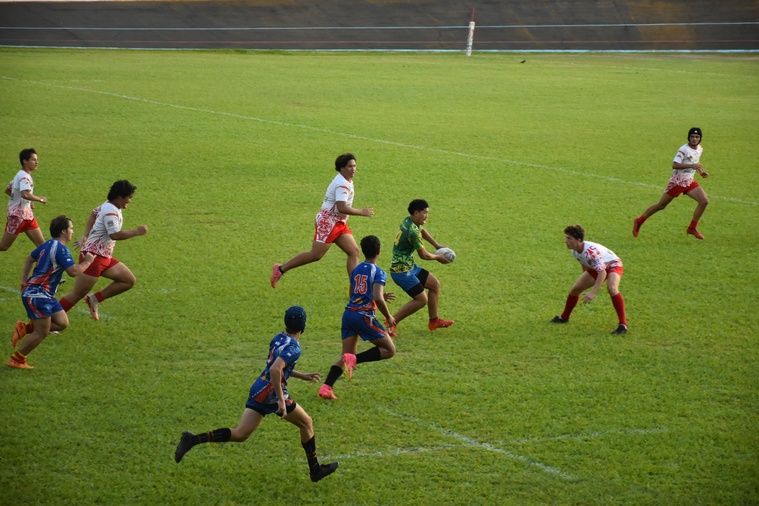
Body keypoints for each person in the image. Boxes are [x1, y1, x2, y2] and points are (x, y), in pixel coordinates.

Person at [174, 306, 339, 483]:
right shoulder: (294, 348)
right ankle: (315, 470)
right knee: (306, 423)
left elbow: (274, 365)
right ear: (303, 325)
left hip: (259, 387)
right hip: (271, 395)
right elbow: (276, 369)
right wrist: (281, 402)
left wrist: (301, 375)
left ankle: (192, 440)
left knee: (241, 434)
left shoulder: (278, 338)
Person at [271, 153, 374, 288]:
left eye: (354, 166)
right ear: (341, 168)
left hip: (338, 222)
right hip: (329, 222)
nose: (353, 169)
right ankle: (280, 269)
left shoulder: (346, 180)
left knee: (354, 251)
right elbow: (342, 207)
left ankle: (355, 290)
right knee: (315, 255)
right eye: (350, 166)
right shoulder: (342, 184)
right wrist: (361, 212)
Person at [8, 216, 95, 369]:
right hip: (38, 295)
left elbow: (29, 259)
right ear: (63, 231)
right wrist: (88, 261)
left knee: (62, 323)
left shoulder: (47, 244)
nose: (72, 232)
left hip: (43, 294)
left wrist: (24, 280)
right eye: (71, 228)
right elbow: (73, 272)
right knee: (42, 332)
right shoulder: (61, 249)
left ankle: (26, 328)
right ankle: (17, 359)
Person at [319, 235, 396, 400]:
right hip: (363, 316)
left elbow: (353, 292)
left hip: (348, 315)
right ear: (379, 252)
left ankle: (326, 387)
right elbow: (377, 297)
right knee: (390, 350)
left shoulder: (356, 269)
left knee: (345, 353)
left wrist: (378, 295)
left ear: (363, 251)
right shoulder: (379, 272)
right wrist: (388, 316)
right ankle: (354, 359)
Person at [58, 180, 148, 320]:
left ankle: (94, 299)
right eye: (129, 197)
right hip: (93, 258)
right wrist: (136, 232)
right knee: (76, 294)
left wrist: (85, 235)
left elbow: (93, 214)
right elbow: (114, 235)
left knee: (128, 280)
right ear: (120, 196)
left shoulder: (108, 205)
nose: (130, 201)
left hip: (104, 256)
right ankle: (47, 321)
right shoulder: (110, 211)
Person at [386, 199, 453, 338]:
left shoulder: (409, 221)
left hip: (409, 266)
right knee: (421, 300)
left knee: (435, 285)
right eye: (425, 213)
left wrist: (437, 246)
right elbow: (424, 255)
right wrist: (438, 257)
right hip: (401, 271)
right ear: (416, 213)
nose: (427, 216)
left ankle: (434, 321)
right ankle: (391, 321)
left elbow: (422, 231)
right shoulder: (412, 231)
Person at [549, 225, 628, 335]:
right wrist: (585, 277)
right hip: (596, 267)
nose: (566, 241)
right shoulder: (575, 250)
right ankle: (564, 317)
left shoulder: (591, 253)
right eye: (566, 238)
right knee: (575, 289)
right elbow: (584, 263)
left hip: (612, 264)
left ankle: (623, 325)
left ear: (578, 240)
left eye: (569, 238)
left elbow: (602, 272)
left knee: (612, 288)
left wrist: (593, 292)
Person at [633, 127, 710, 240]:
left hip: (689, 181)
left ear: (700, 138)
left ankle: (692, 228)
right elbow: (674, 165)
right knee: (661, 205)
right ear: (689, 137)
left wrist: (700, 172)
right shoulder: (683, 150)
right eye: (692, 137)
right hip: (677, 182)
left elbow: (695, 161)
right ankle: (639, 221)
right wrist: (691, 166)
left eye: (697, 137)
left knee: (704, 201)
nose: (694, 139)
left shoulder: (699, 148)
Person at [1, 148, 48, 251]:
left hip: (27, 216)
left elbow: (8, 189)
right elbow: (25, 194)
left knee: (42, 246)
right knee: (3, 246)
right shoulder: (24, 177)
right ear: (25, 161)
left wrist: (27, 202)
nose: (37, 162)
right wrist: (40, 199)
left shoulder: (19, 175)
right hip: (17, 216)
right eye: (33, 160)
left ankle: (40, 266)